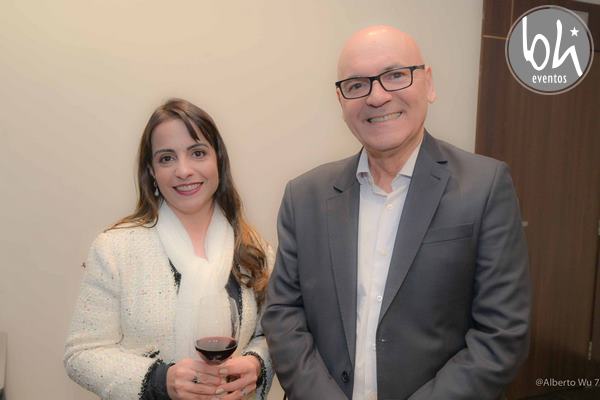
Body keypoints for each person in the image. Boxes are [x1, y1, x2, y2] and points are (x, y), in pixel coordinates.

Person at [262, 25, 531, 400]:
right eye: (357, 84)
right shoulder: (304, 196)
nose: (377, 96)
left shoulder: (485, 187)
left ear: (428, 84)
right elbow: (283, 314)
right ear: (341, 100)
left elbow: (501, 335)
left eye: (395, 75)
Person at [64, 99, 273, 400]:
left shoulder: (254, 248)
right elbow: (82, 353)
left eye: (197, 153)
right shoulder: (114, 249)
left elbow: (272, 335)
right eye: (166, 158)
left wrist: (257, 364)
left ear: (218, 160)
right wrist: (160, 381)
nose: (183, 170)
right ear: (151, 171)